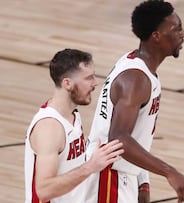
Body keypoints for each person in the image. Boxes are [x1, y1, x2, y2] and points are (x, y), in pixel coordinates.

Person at [85, 0, 184, 203]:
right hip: (108, 177)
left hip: (121, 176)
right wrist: (170, 172)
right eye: (177, 29)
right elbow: (118, 138)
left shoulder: (139, 67)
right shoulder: (135, 79)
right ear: (156, 37)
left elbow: (136, 135)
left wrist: (142, 181)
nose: (183, 34)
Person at [24, 48, 124, 203]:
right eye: (89, 78)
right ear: (68, 84)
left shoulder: (73, 114)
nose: (95, 83)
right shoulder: (49, 128)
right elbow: (44, 190)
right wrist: (91, 166)